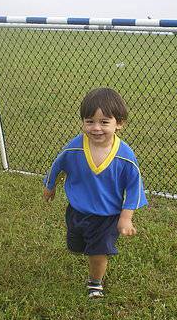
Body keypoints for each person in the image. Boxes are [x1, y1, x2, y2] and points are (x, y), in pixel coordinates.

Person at [42, 87, 147, 299]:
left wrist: (125, 219)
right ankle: (85, 246)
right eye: (89, 121)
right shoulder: (75, 148)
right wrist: (50, 185)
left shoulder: (125, 156)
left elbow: (134, 187)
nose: (96, 128)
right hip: (77, 212)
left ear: (119, 124)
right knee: (76, 245)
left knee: (97, 252)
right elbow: (58, 164)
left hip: (107, 217)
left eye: (104, 122)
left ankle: (95, 283)